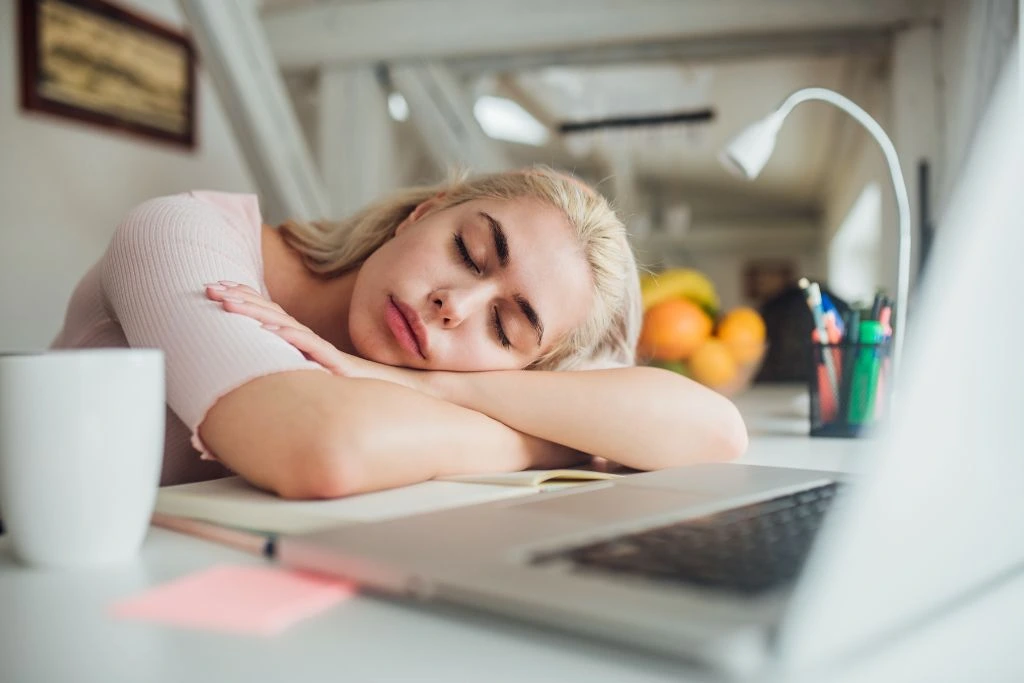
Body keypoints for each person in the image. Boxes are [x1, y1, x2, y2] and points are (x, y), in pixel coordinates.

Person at [52, 167, 747, 499]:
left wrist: (418, 383)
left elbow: (715, 433)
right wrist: (551, 437)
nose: (456, 303)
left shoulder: (450, 368)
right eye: (470, 251)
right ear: (423, 212)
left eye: (504, 328)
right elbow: (325, 450)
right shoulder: (183, 233)